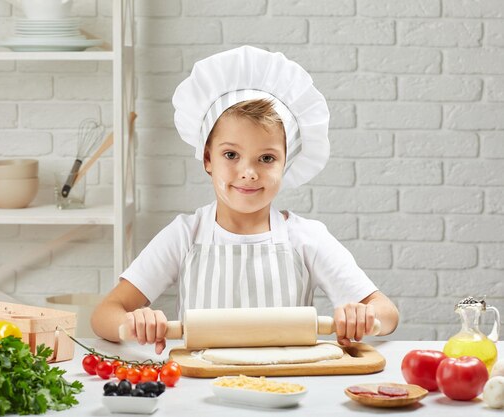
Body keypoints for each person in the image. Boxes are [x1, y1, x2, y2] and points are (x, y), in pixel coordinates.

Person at [91, 46, 399, 354]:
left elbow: (387, 314)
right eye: (231, 155)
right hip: (202, 389)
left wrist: (363, 315)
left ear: (286, 164)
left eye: (266, 158)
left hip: (286, 388)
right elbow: (104, 314)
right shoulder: (186, 235)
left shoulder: (305, 238)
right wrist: (133, 324)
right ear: (207, 158)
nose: (248, 172)